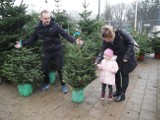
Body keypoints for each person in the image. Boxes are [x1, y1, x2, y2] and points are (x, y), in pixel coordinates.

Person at [15, 10, 83, 94]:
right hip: (46, 50)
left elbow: (65, 35)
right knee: (45, 68)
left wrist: (75, 41)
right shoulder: (38, 28)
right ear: (41, 18)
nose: (47, 20)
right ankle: (46, 83)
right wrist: (22, 43)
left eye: (48, 18)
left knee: (60, 67)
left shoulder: (55, 26)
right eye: (45, 18)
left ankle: (63, 84)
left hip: (57, 49)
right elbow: (32, 39)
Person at [95, 25, 137, 102]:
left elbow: (131, 43)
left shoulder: (121, 33)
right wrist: (98, 60)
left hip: (126, 56)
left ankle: (122, 94)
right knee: (116, 73)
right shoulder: (105, 39)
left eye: (106, 39)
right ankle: (118, 91)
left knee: (124, 74)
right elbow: (103, 50)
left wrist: (126, 56)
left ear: (110, 36)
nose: (105, 40)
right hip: (116, 57)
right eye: (104, 39)